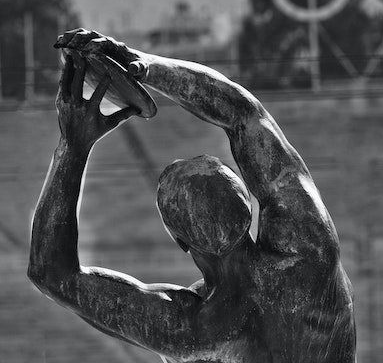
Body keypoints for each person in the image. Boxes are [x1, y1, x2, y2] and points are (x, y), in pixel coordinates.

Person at [28, 29, 355, 363]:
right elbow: (244, 113)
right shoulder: (310, 251)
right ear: (248, 207)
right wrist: (141, 64)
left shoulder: (190, 329)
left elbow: (52, 274)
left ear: (181, 240)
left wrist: (74, 145)